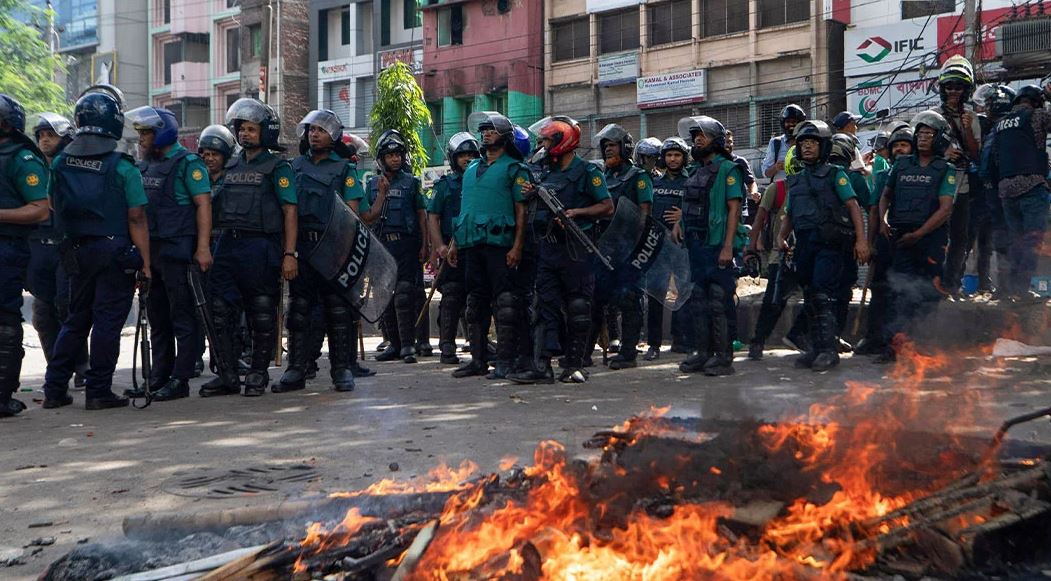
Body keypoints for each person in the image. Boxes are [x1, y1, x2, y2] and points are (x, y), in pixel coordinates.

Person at [42, 87, 152, 410]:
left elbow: (52, 203)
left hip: (76, 251)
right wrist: (146, 263)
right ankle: (98, 390)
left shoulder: (60, 162)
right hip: (114, 251)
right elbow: (137, 217)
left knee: (77, 319)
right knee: (107, 322)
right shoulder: (123, 166)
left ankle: (54, 388)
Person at [201, 98, 298, 397]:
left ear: (265, 132)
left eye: (251, 129)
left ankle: (258, 374)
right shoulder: (229, 165)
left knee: (262, 314)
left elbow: (290, 211)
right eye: (241, 129)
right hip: (228, 245)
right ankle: (228, 374)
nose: (244, 134)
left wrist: (289, 254)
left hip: (261, 247)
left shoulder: (277, 167)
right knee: (219, 312)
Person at [509, 116, 612, 384]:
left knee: (578, 307)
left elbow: (607, 207)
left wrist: (577, 212)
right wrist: (531, 193)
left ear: (561, 141)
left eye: (546, 140)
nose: (542, 145)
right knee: (543, 307)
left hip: (577, 251)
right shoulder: (546, 173)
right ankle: (542, 366)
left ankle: (573, 365)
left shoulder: (588, 172)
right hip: (548, 250)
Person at [125, 106, 212, 401]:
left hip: (179, 251)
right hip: (152, 253)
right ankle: (158, 376)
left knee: (182, 317)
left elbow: (203, 205)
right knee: (157, 317)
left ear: (162, 132)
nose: (141, 139)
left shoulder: (188, 163)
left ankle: (180, 378)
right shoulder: (144, 166)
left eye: (146, 132)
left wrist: (202, 248)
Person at [275, 109, 362, 394]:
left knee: (337, 312)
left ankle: (341, 370)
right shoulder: (294, 166)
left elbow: (352, 214)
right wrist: (288, 252)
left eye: (321, 130)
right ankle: (296, 369)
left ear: (334, 136)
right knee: (298, 311)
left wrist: (343, 252)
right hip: (301, 247)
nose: (314, 134)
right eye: (311, 129)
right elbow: (285, 209)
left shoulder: (345, 169)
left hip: (333, 249)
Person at [774, 120, 869, 372]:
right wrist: (781, 237)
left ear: (823, 146)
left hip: (830, 243)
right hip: (804, 244)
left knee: (823, 294)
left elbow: (853, 207)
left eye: (812, 143)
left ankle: (828, 350)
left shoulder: (836, 174)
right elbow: (791, 214)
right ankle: (815, 348)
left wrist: (861, 241)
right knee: (810, 295)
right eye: (803, 143)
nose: (806, 148)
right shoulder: (795, 180)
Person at [445, 113, 528, 379]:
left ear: (504, 135)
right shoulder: (470, 169)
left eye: (491, 129)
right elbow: (467, 209)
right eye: (483, 130)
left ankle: (505, 361)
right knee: (474, 304)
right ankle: (478, 360)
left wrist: (517, 246)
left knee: (505, 304)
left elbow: (521, 209)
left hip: (499, 245)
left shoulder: (515, 168)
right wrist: (455, 244)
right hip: (471, 244)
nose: (486, 133)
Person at [876, 111, 957, 362]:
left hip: (930, 240)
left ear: (940, 138)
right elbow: (886, 196)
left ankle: (919, 344)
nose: (922, 138)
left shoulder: (946, 169)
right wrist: (884, 219)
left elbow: (946, 208)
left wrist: (920, 234)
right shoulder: (901, 164)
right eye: (920, 133)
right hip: (902, 238)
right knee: (899, 292)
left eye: (929, 134)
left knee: (928, 293)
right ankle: (895, 345)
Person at [672, 116, 745, 376]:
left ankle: (723, 358)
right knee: (699, 300)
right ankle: (703, 354)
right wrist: (680, 223)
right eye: (695, 136)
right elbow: (689, 204)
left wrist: (727, 247)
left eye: (702, 135)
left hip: (717, 246)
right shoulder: (694, 171)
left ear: (717, 140)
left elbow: (733, 209)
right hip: (696, 245)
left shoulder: (728, 169)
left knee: (718, 299)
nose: (697, 139)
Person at [26, 112, 86, 386]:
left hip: (66, 245)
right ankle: (56, 371)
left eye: (51, 134)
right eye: (41, 135)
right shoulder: (29, 167)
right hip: (37, 246)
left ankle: (82, 367)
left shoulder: (75, 167)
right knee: (42, 313)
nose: (45, 140)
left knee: (68, 306)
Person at [0, 95, 51, 417]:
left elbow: (40, 209)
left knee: (4, 318)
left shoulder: (21, 159)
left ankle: (3, 394)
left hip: (6, 248)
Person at [361, 130, 427, 364]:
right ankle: (393, 344)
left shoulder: (412, 183)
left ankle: (409, 346)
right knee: (384, 297)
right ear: (381, 159)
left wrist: (425, 244)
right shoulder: (371, 184)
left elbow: (422, 215)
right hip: (381, 247)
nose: (395, 159)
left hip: (406, 246)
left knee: (404, 295)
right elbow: (366, 216)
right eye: (390, 155)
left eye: (398, 154)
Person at [589, 124, 652, 370]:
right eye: (605, 147)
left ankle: (628, 353)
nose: (607, 151)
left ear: (625, 148)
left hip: (629, 248)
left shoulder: (638, 177)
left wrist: (637, 249)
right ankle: (585, 353)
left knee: (629, 299)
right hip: (603, 247)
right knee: (596, 299)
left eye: (612, 146)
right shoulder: (603, 177)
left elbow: (645, 215)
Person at [854, 123, 914, 356]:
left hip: (908, 240)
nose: (900, 149)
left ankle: (896, 342)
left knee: (903, 291)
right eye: (896, 145)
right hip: (884, 240)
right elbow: (872, 210)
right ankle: (874, 338)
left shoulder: (919, 173)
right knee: (879, 290)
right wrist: (869, 243)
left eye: (904, 145)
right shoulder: (882, 175)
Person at [989, 85, 1050, 304]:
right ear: (1036, 101)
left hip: (1005, 191)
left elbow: (994, 158)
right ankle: (1023, 291)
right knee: (1032, 241)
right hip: (1032, 186)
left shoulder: (1000, 125)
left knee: (1016, 241)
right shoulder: (1037, 115)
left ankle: (1011, 289)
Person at [428, 132, 479, 365]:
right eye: (462, 155)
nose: (467, 159)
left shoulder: (481, 180)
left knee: (477, 296)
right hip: (450, 247)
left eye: (471, 155)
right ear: (453, 158)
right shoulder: (445, 185)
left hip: (476, 244)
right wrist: (438, 246)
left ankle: (478, 343)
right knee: (451, 296)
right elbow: (433, 216)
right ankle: (447, 344)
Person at [936, 56, 982, 297]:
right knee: (935, 238)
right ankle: (933, 284)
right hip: (936, 187)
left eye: (959, 86)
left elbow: (976, 155)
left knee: (960, 239)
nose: (954, 91)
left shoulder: (971, 117)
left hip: (962, 186)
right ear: (942, 88)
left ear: (967, 89)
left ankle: (952, 285)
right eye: (949, 86)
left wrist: (966, 128)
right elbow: (918, 146)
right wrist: (943, 151)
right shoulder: (932, 116)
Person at [645, 137, 692, 361]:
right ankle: (653, 344)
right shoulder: (654, 183)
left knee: (683, 293)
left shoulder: (691, 181)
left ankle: (680, 339)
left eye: (677, 155)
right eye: (669, 155)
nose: (673, 159)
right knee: (655, 295)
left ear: (684, 157)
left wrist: (684, 216)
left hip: (682, 247)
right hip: (657, 247)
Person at [763, 105, 806, 183]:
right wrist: (776, 167)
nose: (791, 125)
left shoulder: (806, 142)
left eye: (794, 122)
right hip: (781, 189)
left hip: (802, 188)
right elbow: (766, 173)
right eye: (788, 122)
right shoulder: (775, 143)